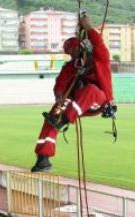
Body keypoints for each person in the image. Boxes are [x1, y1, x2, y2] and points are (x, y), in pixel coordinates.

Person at [31, 16, 113, 172]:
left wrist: (88, 27)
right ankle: (43, 158)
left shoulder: (100, 59)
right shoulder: (70, 67)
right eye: (70, 53)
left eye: (74, 50)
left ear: (82, 47)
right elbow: (60, 83)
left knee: (91, 90)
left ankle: (63, 121)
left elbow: (99, 44)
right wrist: (59, 94)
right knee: (54, 113)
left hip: (98, 101)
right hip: (77, 104)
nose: (72, 55)